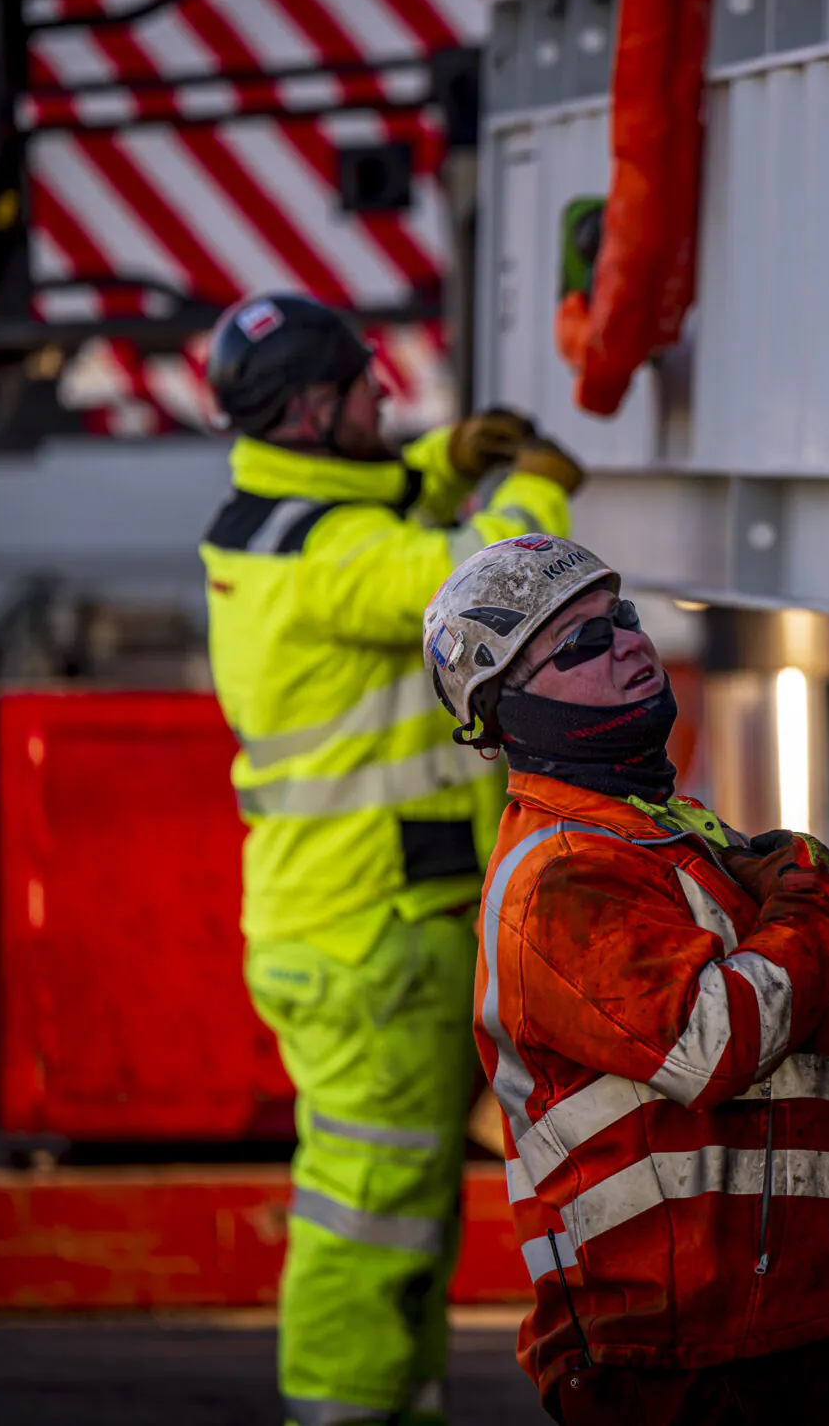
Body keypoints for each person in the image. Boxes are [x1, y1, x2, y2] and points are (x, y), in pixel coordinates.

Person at [421, 534, 829, 1426]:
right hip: (688, 1356)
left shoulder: (663, 834)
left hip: (788, 1320)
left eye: (623, 617)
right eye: (580, 643)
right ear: (509, 712)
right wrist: (813, 897)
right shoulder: (559, 881)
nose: (630, 643)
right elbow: (718, 1039)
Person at [199, 293, 584, 1426]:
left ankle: (389, 1406)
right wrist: (538, 481)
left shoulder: (275, 515)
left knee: (401, 1215)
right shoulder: (330, 563)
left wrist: (437, 456)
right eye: (372, 388)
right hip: (371, 935)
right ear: (315, 410)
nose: (390, 399)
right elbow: (486, 574)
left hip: (352, 925)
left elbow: (370, 491)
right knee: (370, 1214)